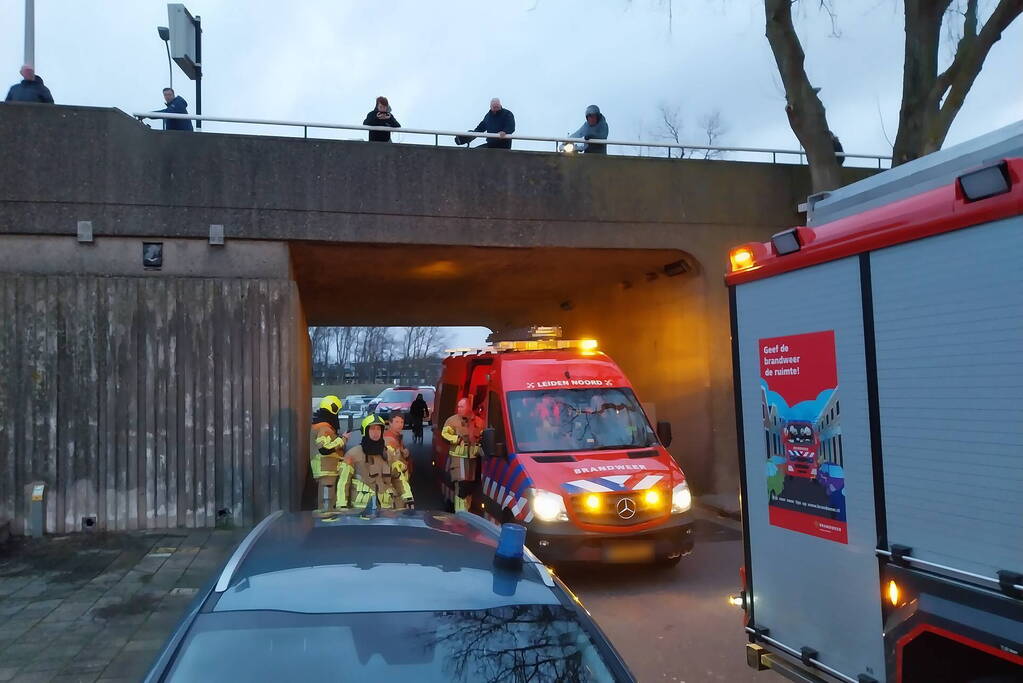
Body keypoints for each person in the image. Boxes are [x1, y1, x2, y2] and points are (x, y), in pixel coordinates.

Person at [348, 414, 414, 510]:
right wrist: (342, 507)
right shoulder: (353, 454)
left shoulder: (389, 454)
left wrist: (408, 498)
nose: (376, 432)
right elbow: (343, 483)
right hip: (360, 510)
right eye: (372, 429)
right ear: (365, 431)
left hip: (386, 509)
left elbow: (399, 478)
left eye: (378, 429)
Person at [310, 395, 353, 515]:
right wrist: (342, 439)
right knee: (326, 507)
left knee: (329, 503)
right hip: (326, 471)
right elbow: (324, 449)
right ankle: (326, 526)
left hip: (327, 470)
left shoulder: (321, 427)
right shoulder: (324, 428)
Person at [441, 397, 484, 512]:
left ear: (469, 407)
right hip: (458, 460)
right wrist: (456, 438)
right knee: (461, 489)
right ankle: (460, 516)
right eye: (458, 406)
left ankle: (466, 513)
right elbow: (444, 434)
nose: (458, 409)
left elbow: (482, 437)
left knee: (469, 489)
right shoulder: (452, 421)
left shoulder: (478, 422)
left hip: (473, 461)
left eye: (462, 406)